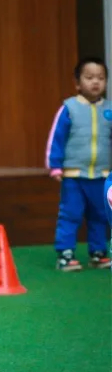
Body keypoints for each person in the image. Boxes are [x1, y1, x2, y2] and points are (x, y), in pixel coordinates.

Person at [46, 57, 111, 270]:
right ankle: (65, 253)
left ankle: (98, 252)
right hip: (74, 175)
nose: (95, 82)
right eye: (89, 77)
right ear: (77, 83)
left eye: (101, 78)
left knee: (101, 215)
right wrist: (55, 165)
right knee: (70, 214)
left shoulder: (109, 109)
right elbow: (57, 138)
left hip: (102, 175)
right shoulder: (69, 108)